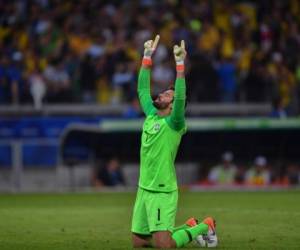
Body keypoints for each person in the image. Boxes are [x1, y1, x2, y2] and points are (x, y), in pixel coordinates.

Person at [131, 35, 217, 248]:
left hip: (162, 191)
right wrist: (147, 57)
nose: (160, 95)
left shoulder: (174, 123)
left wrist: (180, 65)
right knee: (139, 242)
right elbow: (142, 90)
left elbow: (180, 97)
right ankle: (189, 225)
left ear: (172, 105)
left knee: (164, 246)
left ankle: (205, 226)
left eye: (167, 95)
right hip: (144, 188)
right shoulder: (151, 115)